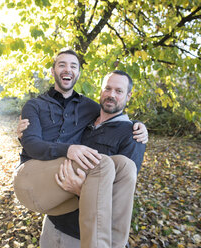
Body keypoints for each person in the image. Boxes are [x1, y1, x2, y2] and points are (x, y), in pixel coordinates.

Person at [13, 49, 147, 248]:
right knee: (102, 164)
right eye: (62, 64)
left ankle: (116, 244)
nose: (111, 95)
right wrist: (68, 149)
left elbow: (114, 115)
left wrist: (138, 125)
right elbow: (31, 142)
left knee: (124, 165)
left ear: (78, 73)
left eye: (73, 66)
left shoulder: (89, 108)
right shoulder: (35, 105)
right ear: (52, 71)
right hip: (36, 180)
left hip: (75, 223)